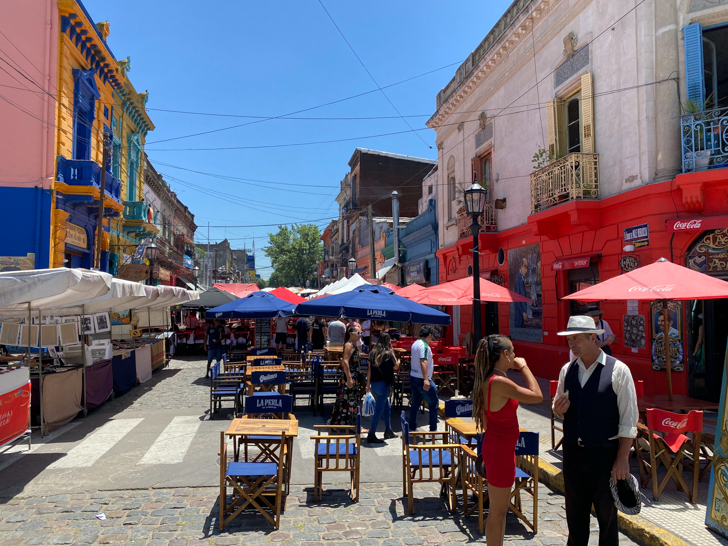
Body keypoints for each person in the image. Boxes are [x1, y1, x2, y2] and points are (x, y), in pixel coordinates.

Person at [553, 316, 638, 546]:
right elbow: (558, 406)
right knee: (575, 519)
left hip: (604, 456)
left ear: (593, 337)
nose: (572, 344)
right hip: (574, 455)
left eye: (577, 339)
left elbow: (629, 420)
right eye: (569, 339)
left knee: (607, 521)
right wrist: (558, 410)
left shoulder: (618, 371)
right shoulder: (567, 370)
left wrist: (622, 459)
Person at [472, 335, 542, 546]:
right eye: (512, 351)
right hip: (500, 452)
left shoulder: (490, 379)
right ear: (504, 354)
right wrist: (525, 367)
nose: (515, 355)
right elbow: (537, 395)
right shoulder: (499, 381)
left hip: (500, 448)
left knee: (499, 511)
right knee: (498, 512)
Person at [328, 323, 366, 426]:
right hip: (350, 377)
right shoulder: (349, 345)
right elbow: (345, 361)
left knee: (351, 401)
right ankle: (342, 424)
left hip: (354, 376)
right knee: (346, 400)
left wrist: (359, 342)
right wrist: (349, 378)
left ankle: (351, 424)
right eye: (358, 333)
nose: (360, 334)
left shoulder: (354, 345)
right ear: (351, 334)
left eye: (361, 332)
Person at [365, 332, 399, 443]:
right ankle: (371, 433)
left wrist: (367, 385)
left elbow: (369, 370)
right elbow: (396, 367)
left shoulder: (372, 353)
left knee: (387, 406)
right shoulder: (388, 354)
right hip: (384, 385)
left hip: (374, 384)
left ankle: (388, 429)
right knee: (379, 410)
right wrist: (393, 353)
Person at [409, 325, 439, 432]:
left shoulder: (415, 344)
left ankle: (411, 426)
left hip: (414, 376)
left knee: (416, 403)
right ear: (429, 335)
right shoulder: (424, 346)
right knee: (434, 402)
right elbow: (423, 361)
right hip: (422, 379)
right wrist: (426, 379)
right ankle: (433, 430)